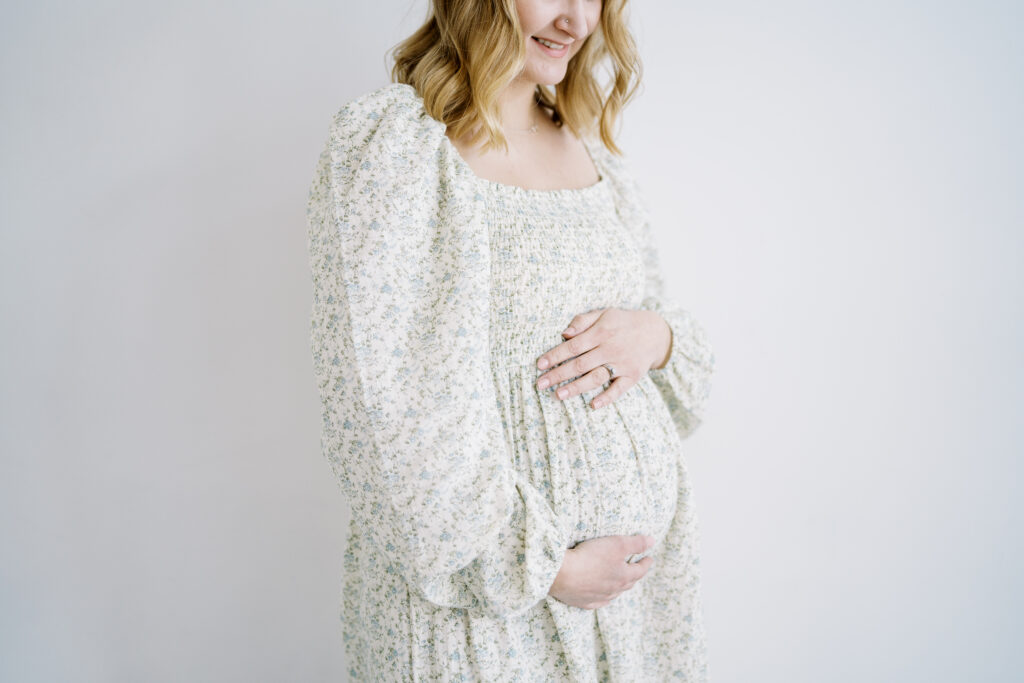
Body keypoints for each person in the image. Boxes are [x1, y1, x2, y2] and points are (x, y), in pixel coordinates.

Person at [306, 0, 715, 679]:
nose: (577, 21)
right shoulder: (397, 149)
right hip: (482, 615)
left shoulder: (591, 149)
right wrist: (544, 567)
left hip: (629, 616)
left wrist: (657, 335)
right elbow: (382, 418)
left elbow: (681, 384)